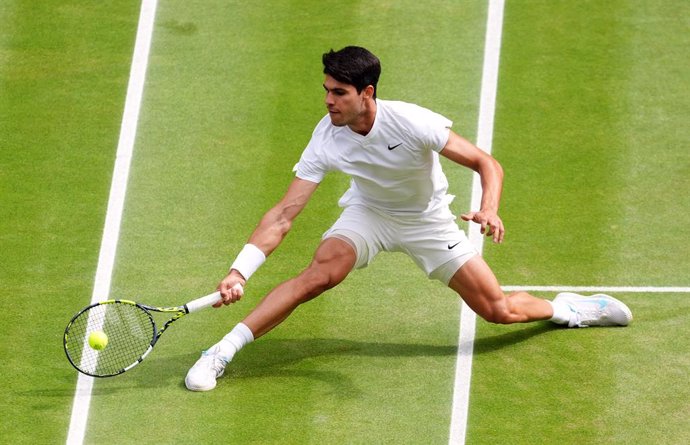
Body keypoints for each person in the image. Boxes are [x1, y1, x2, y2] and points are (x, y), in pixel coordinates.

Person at [185, 46, 632, 391]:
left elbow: (485, 162)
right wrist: (239, 271)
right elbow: (284, 214)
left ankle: (568, 308)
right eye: (326, 90)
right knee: (320, 273)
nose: (328, 101)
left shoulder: (411, 122)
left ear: (367, 93)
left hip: (427, 221)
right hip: (370, 213)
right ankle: (221, 351)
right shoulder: (325, 137)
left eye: (338, 92)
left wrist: (489, 208)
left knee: (498, 310)